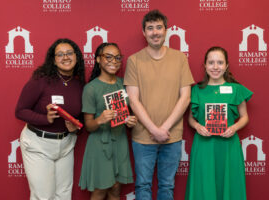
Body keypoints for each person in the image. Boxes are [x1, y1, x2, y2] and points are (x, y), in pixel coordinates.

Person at [124, 10, 194, 200]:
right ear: (144, 32)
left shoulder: (179, 58)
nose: (155, 32)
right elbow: (133, 99)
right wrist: (154, 129)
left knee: (167, 186)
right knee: (143, 185)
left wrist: (164, 128)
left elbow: (185, 97)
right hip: (142, 137)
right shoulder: (134, 60)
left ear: (166, 30)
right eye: (150, 28)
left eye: (158, 27)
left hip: (172, 136)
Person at [15, 38, 85, 200]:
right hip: (38, 144)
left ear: (76, 57)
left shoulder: (79, 85)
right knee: (43, 196)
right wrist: (46, 118)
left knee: (64, 195)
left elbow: (80, 117)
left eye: (69, 53)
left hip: (66, 145)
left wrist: (76, 128)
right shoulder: (41, 80)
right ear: (53, 60)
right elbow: (20, 111)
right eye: (60, 54)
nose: (65, 57)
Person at [185, 46, 253, 200]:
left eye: (220, 62)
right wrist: (197, 126)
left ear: (227, 65)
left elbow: (245, 117)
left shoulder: (236, 89)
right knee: (203, 185)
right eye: (211, 62)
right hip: (203, 145)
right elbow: (190, 119)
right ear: (205, 65)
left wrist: (234, 127)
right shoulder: (196, 90)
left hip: (228, 146)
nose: (215, 67)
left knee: (228, 184)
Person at [79, 42, 137, 200]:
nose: (114, 61)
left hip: (120, 141)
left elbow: (128, 113)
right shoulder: (90, 88)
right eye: (108, 57)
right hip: (99, 144)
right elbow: (89, 127)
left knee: (116, 188)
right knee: (100, 189)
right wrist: (100, 119)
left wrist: (130, 121)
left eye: (118, 57)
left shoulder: (123, 84)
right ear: (98, 59)